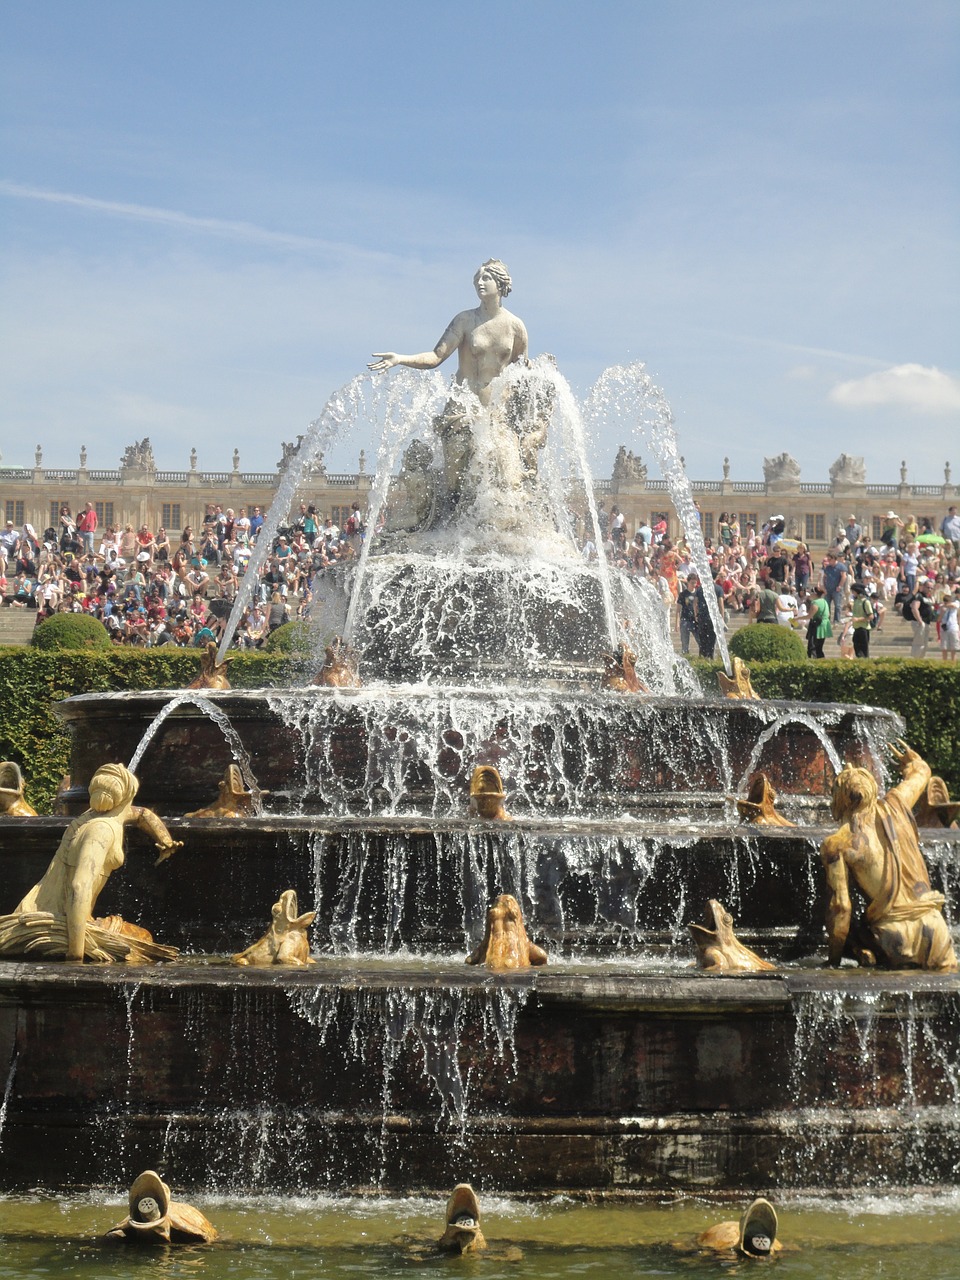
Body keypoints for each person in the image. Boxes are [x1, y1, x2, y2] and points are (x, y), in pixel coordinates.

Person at [370, 260, 528, 503]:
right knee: (456, 483)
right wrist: (400, 358)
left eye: (486, 278)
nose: (479, 283)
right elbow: (435, 357)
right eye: (477, 278)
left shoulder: (516, 327)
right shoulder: (464, 320)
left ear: (501, 283)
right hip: (463, 409)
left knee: (509, 478)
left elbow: (521, 375)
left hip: (497, 412)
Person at [821, 743, 958, 972]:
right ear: (873, 789)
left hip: (894, 934)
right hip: (934, 924)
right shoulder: (896, 803)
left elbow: (841, 908)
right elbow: (922, 772)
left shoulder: (838, 843)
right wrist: (912, 762)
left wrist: (832, 963)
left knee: (900, 1000)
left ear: (840, 799)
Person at [806, 585, 831, 658]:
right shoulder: (825, 602)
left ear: (815, 594)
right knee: (819, 648)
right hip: (824, 626)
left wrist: (797, 619)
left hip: (816, 626)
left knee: (812, 647)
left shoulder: (815, 602)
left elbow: (809, 616)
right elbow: (828, 614)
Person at [850, 582, 874, 658]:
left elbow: (871, 616)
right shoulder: (856, 601)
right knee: (857, 649)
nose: (852, 593)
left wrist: (858, 619)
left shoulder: (865, 602)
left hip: (863, 628)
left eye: (853, 591)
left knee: (864, 650)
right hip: (856, 628)